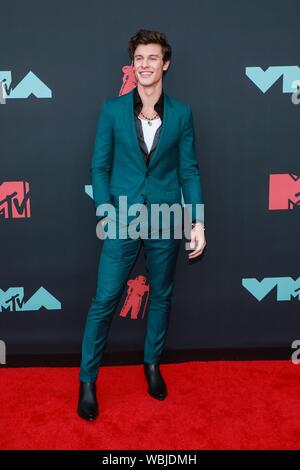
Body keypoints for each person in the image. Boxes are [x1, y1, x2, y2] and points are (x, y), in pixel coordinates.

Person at [77, 29, 206, 421]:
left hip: (166, 219)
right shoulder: (112, 110)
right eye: (139, 58)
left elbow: (189, 170)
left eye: (152, 58)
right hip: (122, 218)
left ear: (165, 64)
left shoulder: (182, 113)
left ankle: (152, 365)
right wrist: (105, 210)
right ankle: (87, 380)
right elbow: (99, 166)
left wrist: (196, 221)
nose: (145, 64)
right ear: (132, 65)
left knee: (162, 295)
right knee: (104, 300)